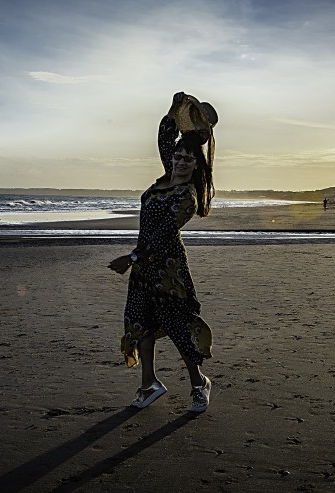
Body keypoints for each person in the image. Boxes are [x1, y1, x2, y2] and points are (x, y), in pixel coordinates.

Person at [108, 92, 217, 413]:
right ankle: (148, 384)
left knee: (178, 328)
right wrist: (174, 109)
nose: (181, 161)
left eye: (188, 159)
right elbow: (165, 135)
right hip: (144, 269)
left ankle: (200, 384)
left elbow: (163, 233)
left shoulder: (187, 196)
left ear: (196, 166)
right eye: (178, 157)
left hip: (168, 271)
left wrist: (132, 257)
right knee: (139, 324)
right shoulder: (164, 180)